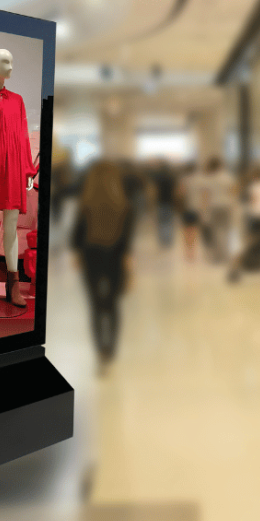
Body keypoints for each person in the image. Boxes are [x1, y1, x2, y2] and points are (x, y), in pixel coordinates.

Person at [72, 160, 135, 377]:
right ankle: (111, 348)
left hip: (91, 257)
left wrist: (77, 255)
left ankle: (100, 348)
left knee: (96, 305)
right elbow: (127, 241)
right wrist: (128, 263)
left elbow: (76, 236)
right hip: (116, 258)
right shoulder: (124, 206)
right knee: (112, 304)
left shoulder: (86, 204)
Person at [200, 157, 235, 263]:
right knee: (226, 229)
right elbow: (233, 191)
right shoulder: (227, 177)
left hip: (214, 206)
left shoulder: (208, 179)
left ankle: (218, 256)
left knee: (216, 231)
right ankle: (226, 254)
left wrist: (204, 210)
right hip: (226, 206)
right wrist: (233, 205)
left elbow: (205, 196)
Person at [177, 162, 204, 262]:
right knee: (194, 229)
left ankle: (187, 251)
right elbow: (203, 194)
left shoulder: (183, 179)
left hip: (186, 207)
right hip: (196, 207)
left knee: (186, 229)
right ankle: (193, 251)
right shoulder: (200, 179)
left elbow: (180, 194)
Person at [150, 159, 178, 249]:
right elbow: (175, 191)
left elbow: (154, 190)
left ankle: (162, 240)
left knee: (161, 222)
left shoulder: (158, 178)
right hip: (169, 202)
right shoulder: (171, 178)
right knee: (169, 222)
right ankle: (168, 240)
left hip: (160, 201)